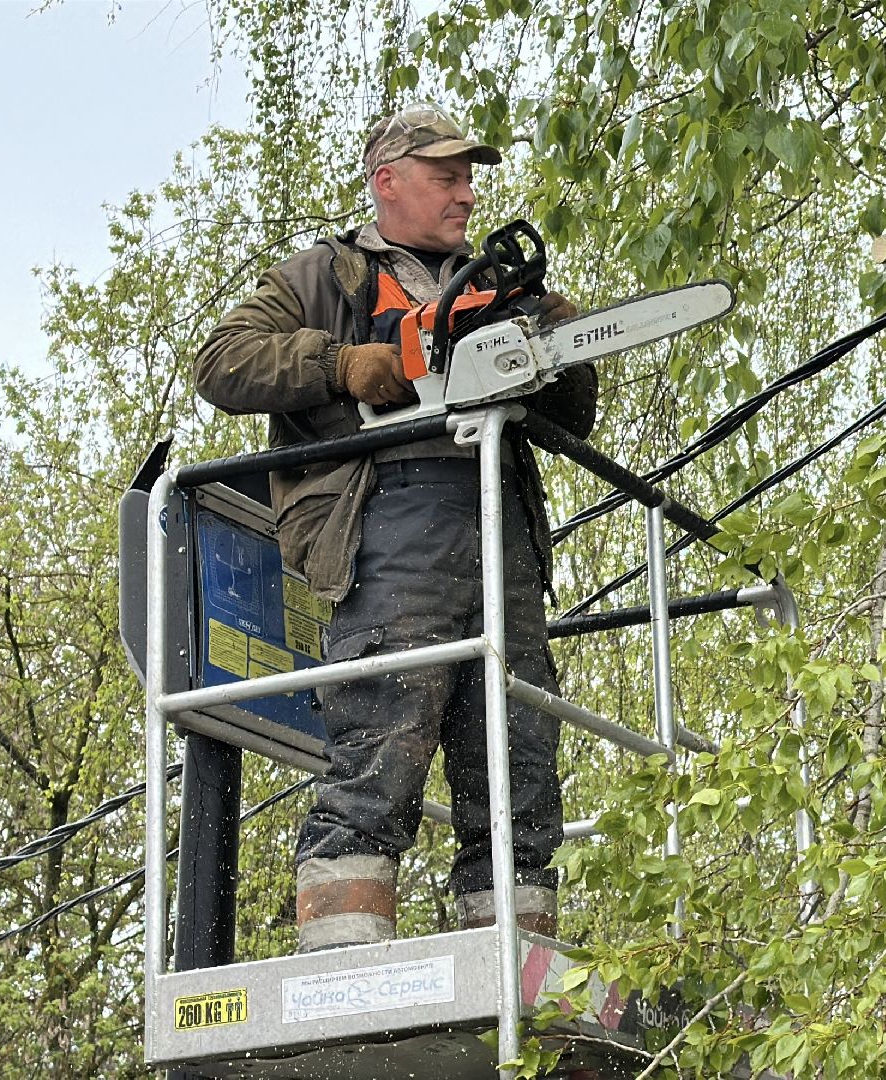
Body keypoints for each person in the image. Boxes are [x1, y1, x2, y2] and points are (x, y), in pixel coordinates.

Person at [193, 105, 593, 951]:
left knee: (518, 757)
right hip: (386, 530)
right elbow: (222, 361)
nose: (466, 195)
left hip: (501, 535)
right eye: (446, 178)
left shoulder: (496, 285)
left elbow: (576, 413)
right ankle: (345, 951)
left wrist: (546, 343)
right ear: (388, 183)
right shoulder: (324, 278)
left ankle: (518, 959)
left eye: (468, 179)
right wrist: (342, 364)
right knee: (384, 743)